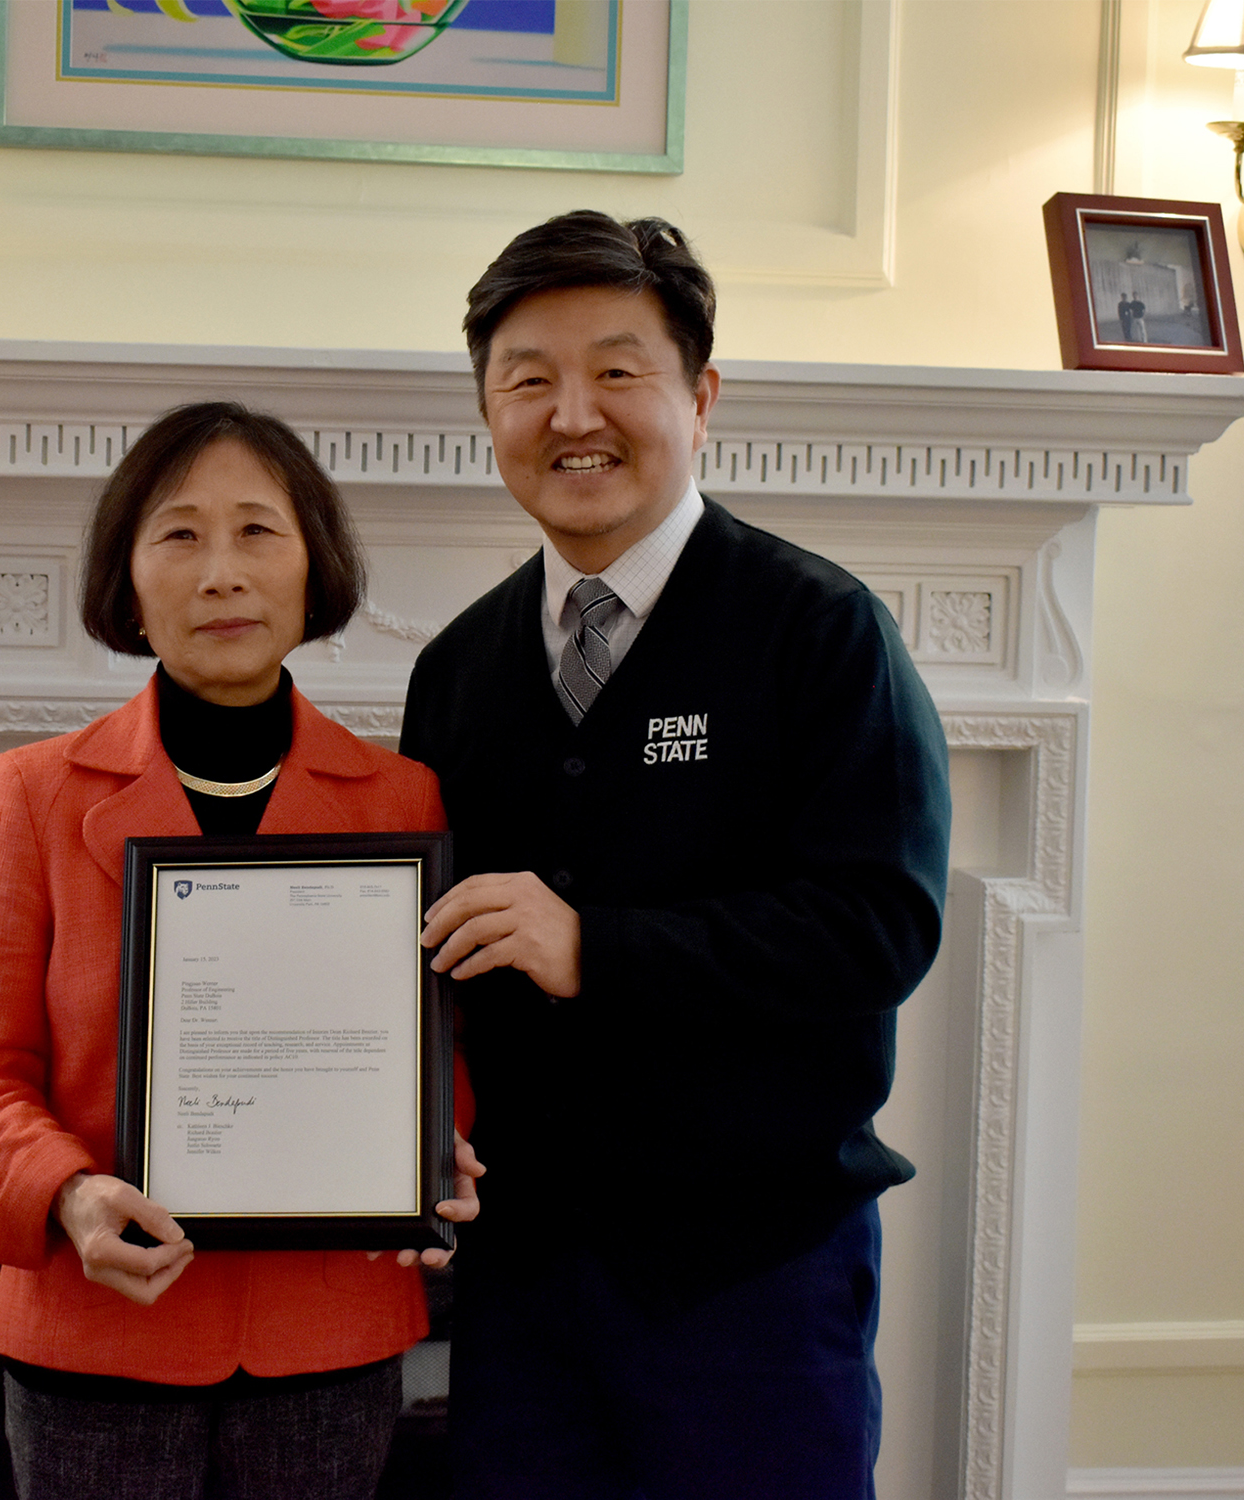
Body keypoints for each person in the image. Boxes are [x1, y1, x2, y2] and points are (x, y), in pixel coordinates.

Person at [400, 211, 952, 1500]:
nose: (569, 412)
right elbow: (432, 955)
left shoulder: (819, 633)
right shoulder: (458, 671)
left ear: (699, 395)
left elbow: (879, 925)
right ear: (487, 412)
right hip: (521, 1290)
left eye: (615, 370)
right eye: (526, 379)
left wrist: (597, 947)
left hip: (752, 1278)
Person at [0, 401, 481, 1500]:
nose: (219, 572)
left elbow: (431, 1047)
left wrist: (435, 1148)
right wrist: (70, 1194)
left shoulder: (399, 799)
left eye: (257, 532)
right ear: (125, 580)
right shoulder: (29, 794)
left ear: (314, 564)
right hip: (96, 1327)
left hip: (328, 1326)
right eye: (177, 535)